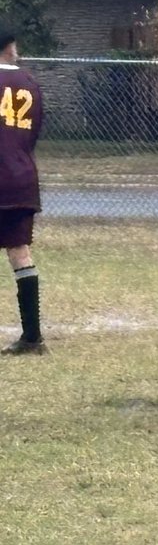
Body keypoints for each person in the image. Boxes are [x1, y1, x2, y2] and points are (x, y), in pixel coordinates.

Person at [0, 25, 46, 355]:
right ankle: (32, 337)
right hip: (21, 177)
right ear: (10, 46)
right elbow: (32, 135)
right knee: (19, 252)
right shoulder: (30, 83)